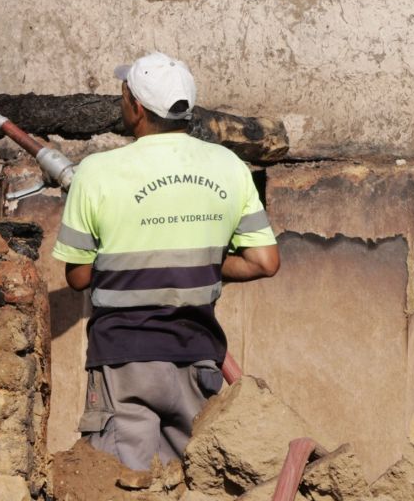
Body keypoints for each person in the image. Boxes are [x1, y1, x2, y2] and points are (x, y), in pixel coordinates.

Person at [51, 53, 279, 471]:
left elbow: (78, 277)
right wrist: (196, 260)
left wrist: (136, 257)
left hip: (124, 359)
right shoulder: (229, 165)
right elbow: (263, 262)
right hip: (198, 357)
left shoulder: (95, 172)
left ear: (136, 107)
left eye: (124, 95)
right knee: (187, 491)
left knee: (118, 496)